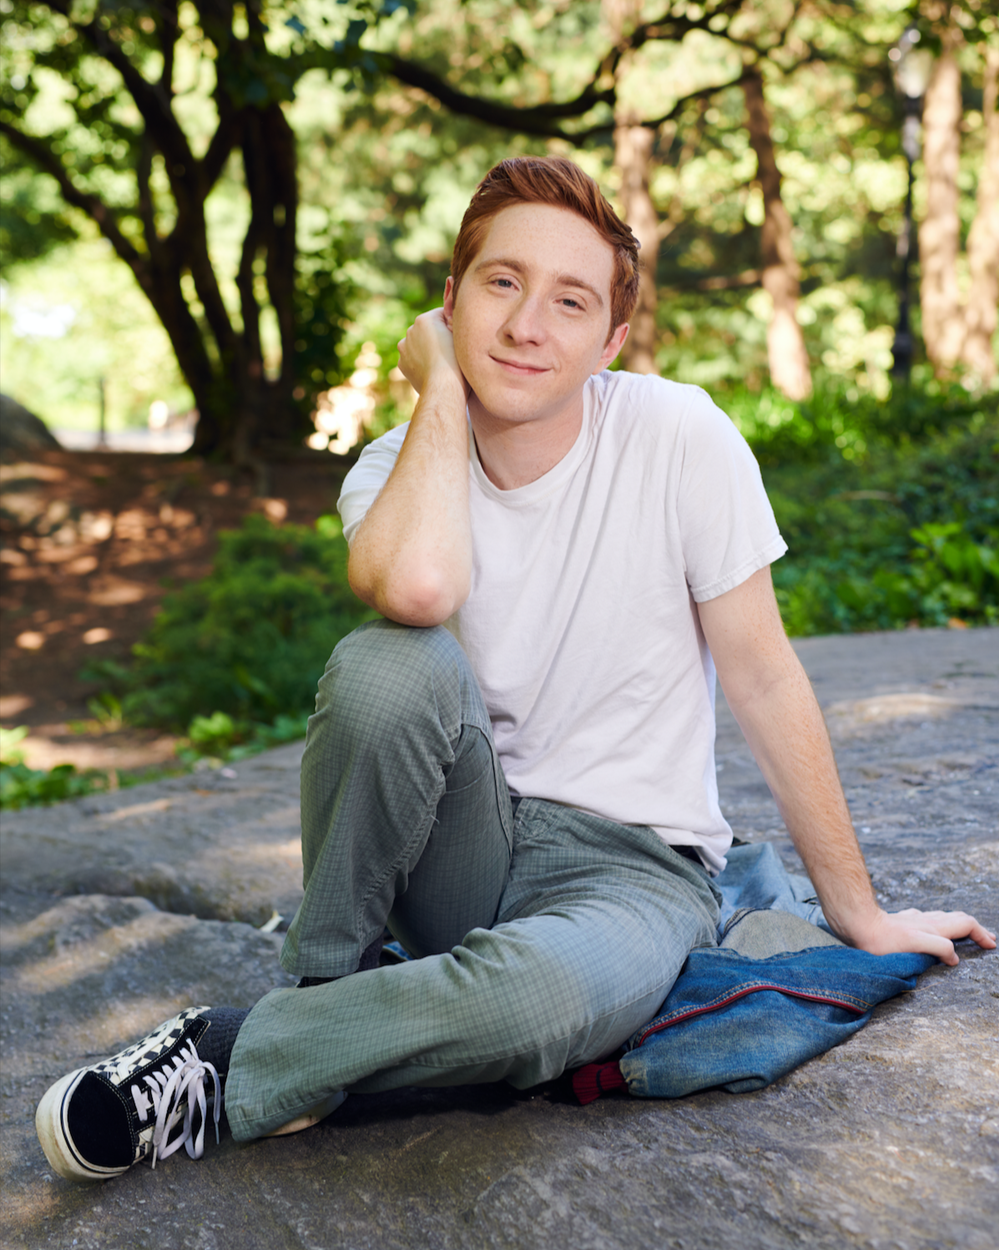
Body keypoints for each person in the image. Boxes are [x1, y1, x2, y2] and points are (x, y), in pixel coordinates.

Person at [36, 157, 995, 1182]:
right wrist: (442, 389)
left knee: (540, 1006)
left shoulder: (679, 436)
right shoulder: (393, 467)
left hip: (631, 868)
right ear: (450, 300)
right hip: (461, 842)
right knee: (385, 667)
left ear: (611, 340)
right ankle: (325, 987)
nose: (528, 324)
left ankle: (242, 1051)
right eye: (502, 283)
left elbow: (764, 677)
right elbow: (417, 591)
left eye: (570, 301)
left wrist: (859, 913)